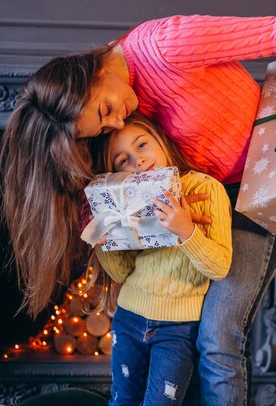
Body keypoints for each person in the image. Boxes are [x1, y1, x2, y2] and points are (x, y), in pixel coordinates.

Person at [0, 12, 276, 405]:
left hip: (258, 192)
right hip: (196, 208)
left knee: (218, 335)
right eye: (104, 127)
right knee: (180, 340)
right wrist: (106, 227)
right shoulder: (115, 101)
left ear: (93, 71)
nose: (118, 126)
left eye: (106, 111)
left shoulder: (168, 45)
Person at [87, 113, 232, 406]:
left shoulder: (205, 189)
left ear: (161, 140)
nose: (137, 160)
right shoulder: (130, 200)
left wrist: (186, 230)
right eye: (122, 161)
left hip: (178, 328)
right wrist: (103, 242)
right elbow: (121, 273)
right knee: (122, 400)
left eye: (142, 145)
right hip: (129, 316)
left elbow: (219, 267)